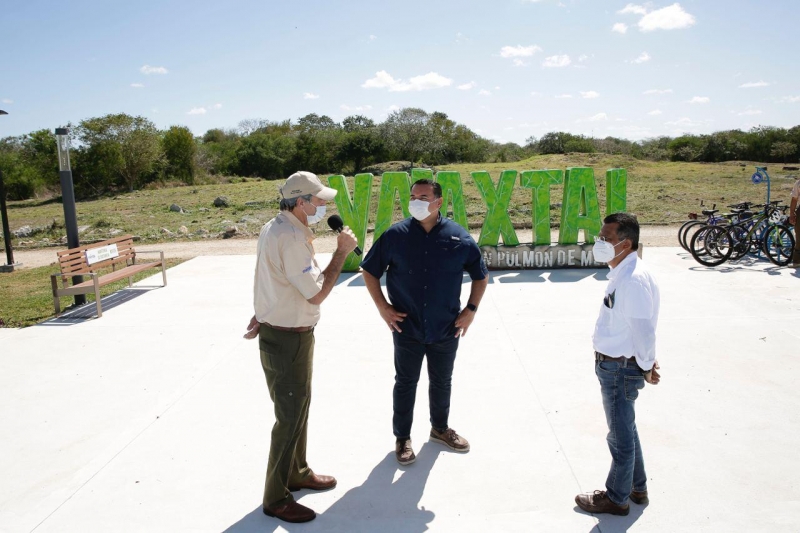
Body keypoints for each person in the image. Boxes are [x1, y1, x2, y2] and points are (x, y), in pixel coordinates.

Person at [243, 171, 357, 523]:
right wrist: (342, 252)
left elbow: (271, 277)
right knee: (290, 416)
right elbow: (317, 293)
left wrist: (263, 312)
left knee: (298, 407)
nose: (324, 206)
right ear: (300, 202)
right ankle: (276, 498)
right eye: (319, 200)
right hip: (288, 337)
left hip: (283, 331)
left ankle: (297, 472)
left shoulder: (276, 227)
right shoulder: (292, 238)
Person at [360, 178, 489, 466]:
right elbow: (369, 270)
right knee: (406, 382)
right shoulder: (395, 235)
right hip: (407, 327)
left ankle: (440, 429)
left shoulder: (458, 237)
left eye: (423, 197)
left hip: (446, 326)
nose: (416, 202)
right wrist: (383, 307)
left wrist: (471, 309)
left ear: (438, 202)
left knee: (442, 380)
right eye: (413, 197)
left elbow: (481, 276)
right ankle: (402, 438)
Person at [575, 212, 661, 517]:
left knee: (619, 438)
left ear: (625, 244)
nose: (600, 243)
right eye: (600, 237)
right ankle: (637, 486)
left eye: (606, 238)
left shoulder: (632, 281)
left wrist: (647, 365)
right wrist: (645, 361)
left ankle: (616, 498)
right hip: (618, 365)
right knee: (627, 429)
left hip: (620, 369)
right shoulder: (624, 273)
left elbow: (643, 330)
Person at [790, 177, 800, 267]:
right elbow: (794, 199)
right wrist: (792, 213)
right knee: (799, 236)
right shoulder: (798, 183)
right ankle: (797, 261)